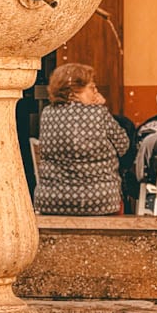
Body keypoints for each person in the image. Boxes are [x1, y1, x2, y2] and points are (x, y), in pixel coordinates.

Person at [34, 62, 129, 216]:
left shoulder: (47, 114)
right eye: (92, 88)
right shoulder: (98, 113)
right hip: (99, 201)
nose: (96, 92)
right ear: (74, 92)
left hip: (51, 201)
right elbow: (123, 146)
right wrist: (102, 108)